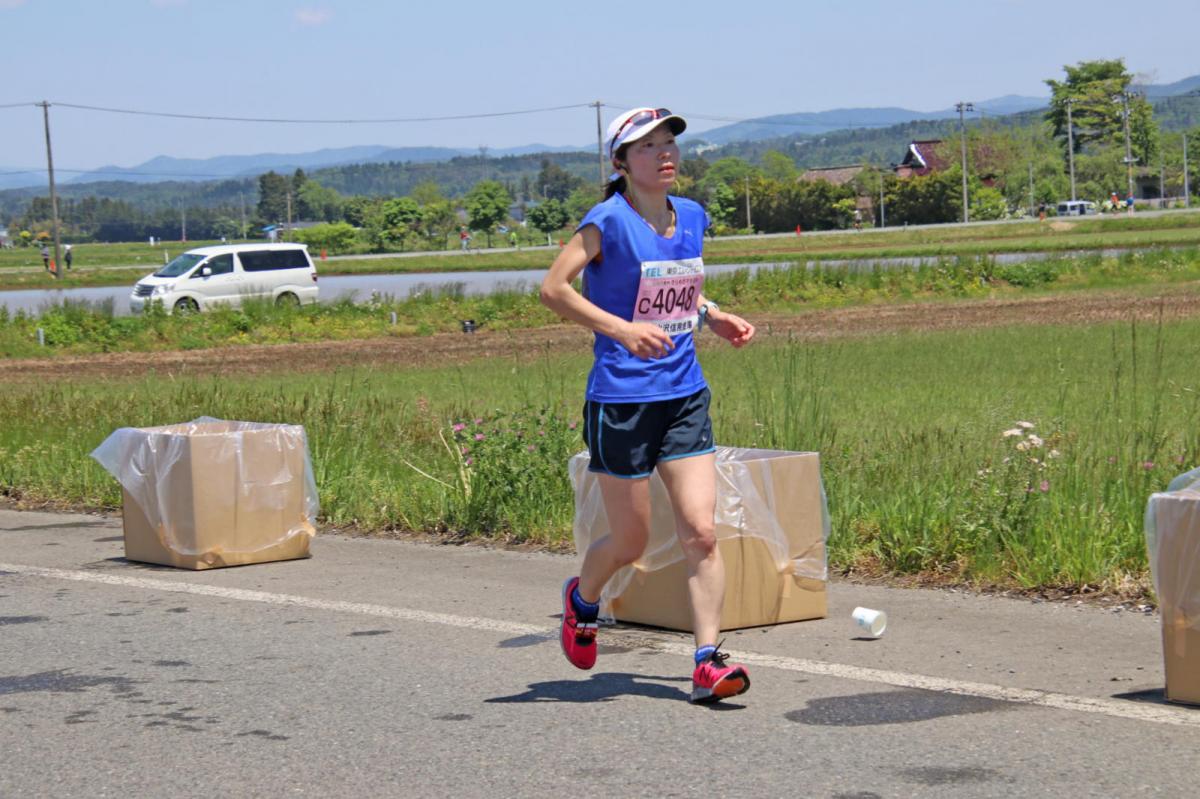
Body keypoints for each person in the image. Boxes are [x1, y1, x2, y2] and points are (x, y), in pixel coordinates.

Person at [540, 106, 757, 704]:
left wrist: (712, 315)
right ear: (620, 162)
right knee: (631, 543)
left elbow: (676, 285)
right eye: (647, 146)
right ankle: (583, 599)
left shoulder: (692, 215)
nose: (664, 154)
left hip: (684, 394)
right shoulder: (606, 221)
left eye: (669, 144)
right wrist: (622, 331)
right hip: (622, 401)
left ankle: (707, 661)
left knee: (701, 533)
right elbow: (553, 289)